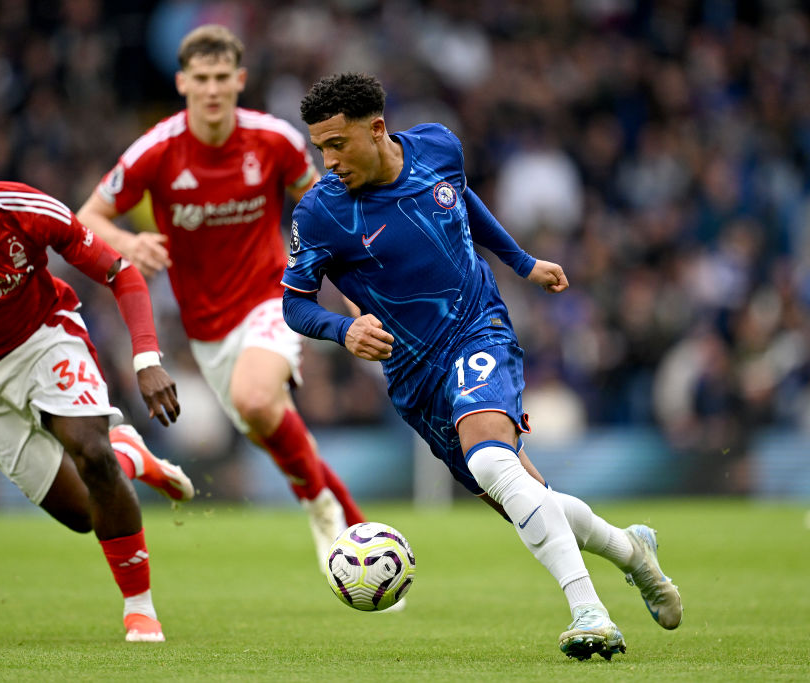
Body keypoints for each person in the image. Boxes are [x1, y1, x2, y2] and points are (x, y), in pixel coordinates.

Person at [282, 73, 683, 659]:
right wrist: (344, 329)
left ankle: (589, 612)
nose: (329, 159)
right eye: (320, 146)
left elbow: (461, 198)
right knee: (526, 493)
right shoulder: (320, 213)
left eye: (338, 143)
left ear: (377, 129)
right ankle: (632, 553)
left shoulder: (438, 145)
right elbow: (292, 301)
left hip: (478, 328)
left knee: (492, 457)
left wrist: (521, 263)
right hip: (414, 378)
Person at [0, 120, 195, 644]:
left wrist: (146, 360)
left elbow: (122, 273)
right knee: (82, 515)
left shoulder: (27, 210)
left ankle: (140, 610)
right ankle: (132, 458)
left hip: (44, 339)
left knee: (89, 454)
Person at [77, 24, 365, 571]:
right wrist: (128, 240)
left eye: (221, 79)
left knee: (258, 401)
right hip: (206, 328)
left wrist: (352, 294)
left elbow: (327, 213)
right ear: (183, 82)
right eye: (201, 79)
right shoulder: (156, 150)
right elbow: (88, 216)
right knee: (268, 425)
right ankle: (349, 520)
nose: (212, 90)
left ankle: (326, 513)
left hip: (272, 298)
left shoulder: (273, 140)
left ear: (239, 80)